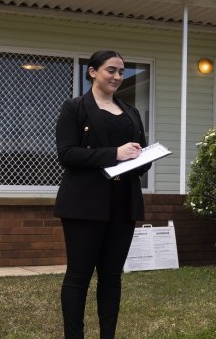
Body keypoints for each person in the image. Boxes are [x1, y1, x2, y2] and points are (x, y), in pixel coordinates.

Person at [54, 50, 150, 339]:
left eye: (122, 71)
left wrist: (142, 157)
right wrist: (114, 154)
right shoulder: (74, 108)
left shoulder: (131, 112)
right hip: (84, 205)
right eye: (111, 70)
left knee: (111, 277)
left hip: (123, 204)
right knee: (79, 276)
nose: (118, 77)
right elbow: (66, 153)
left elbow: (137, 152)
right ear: (92, 72)